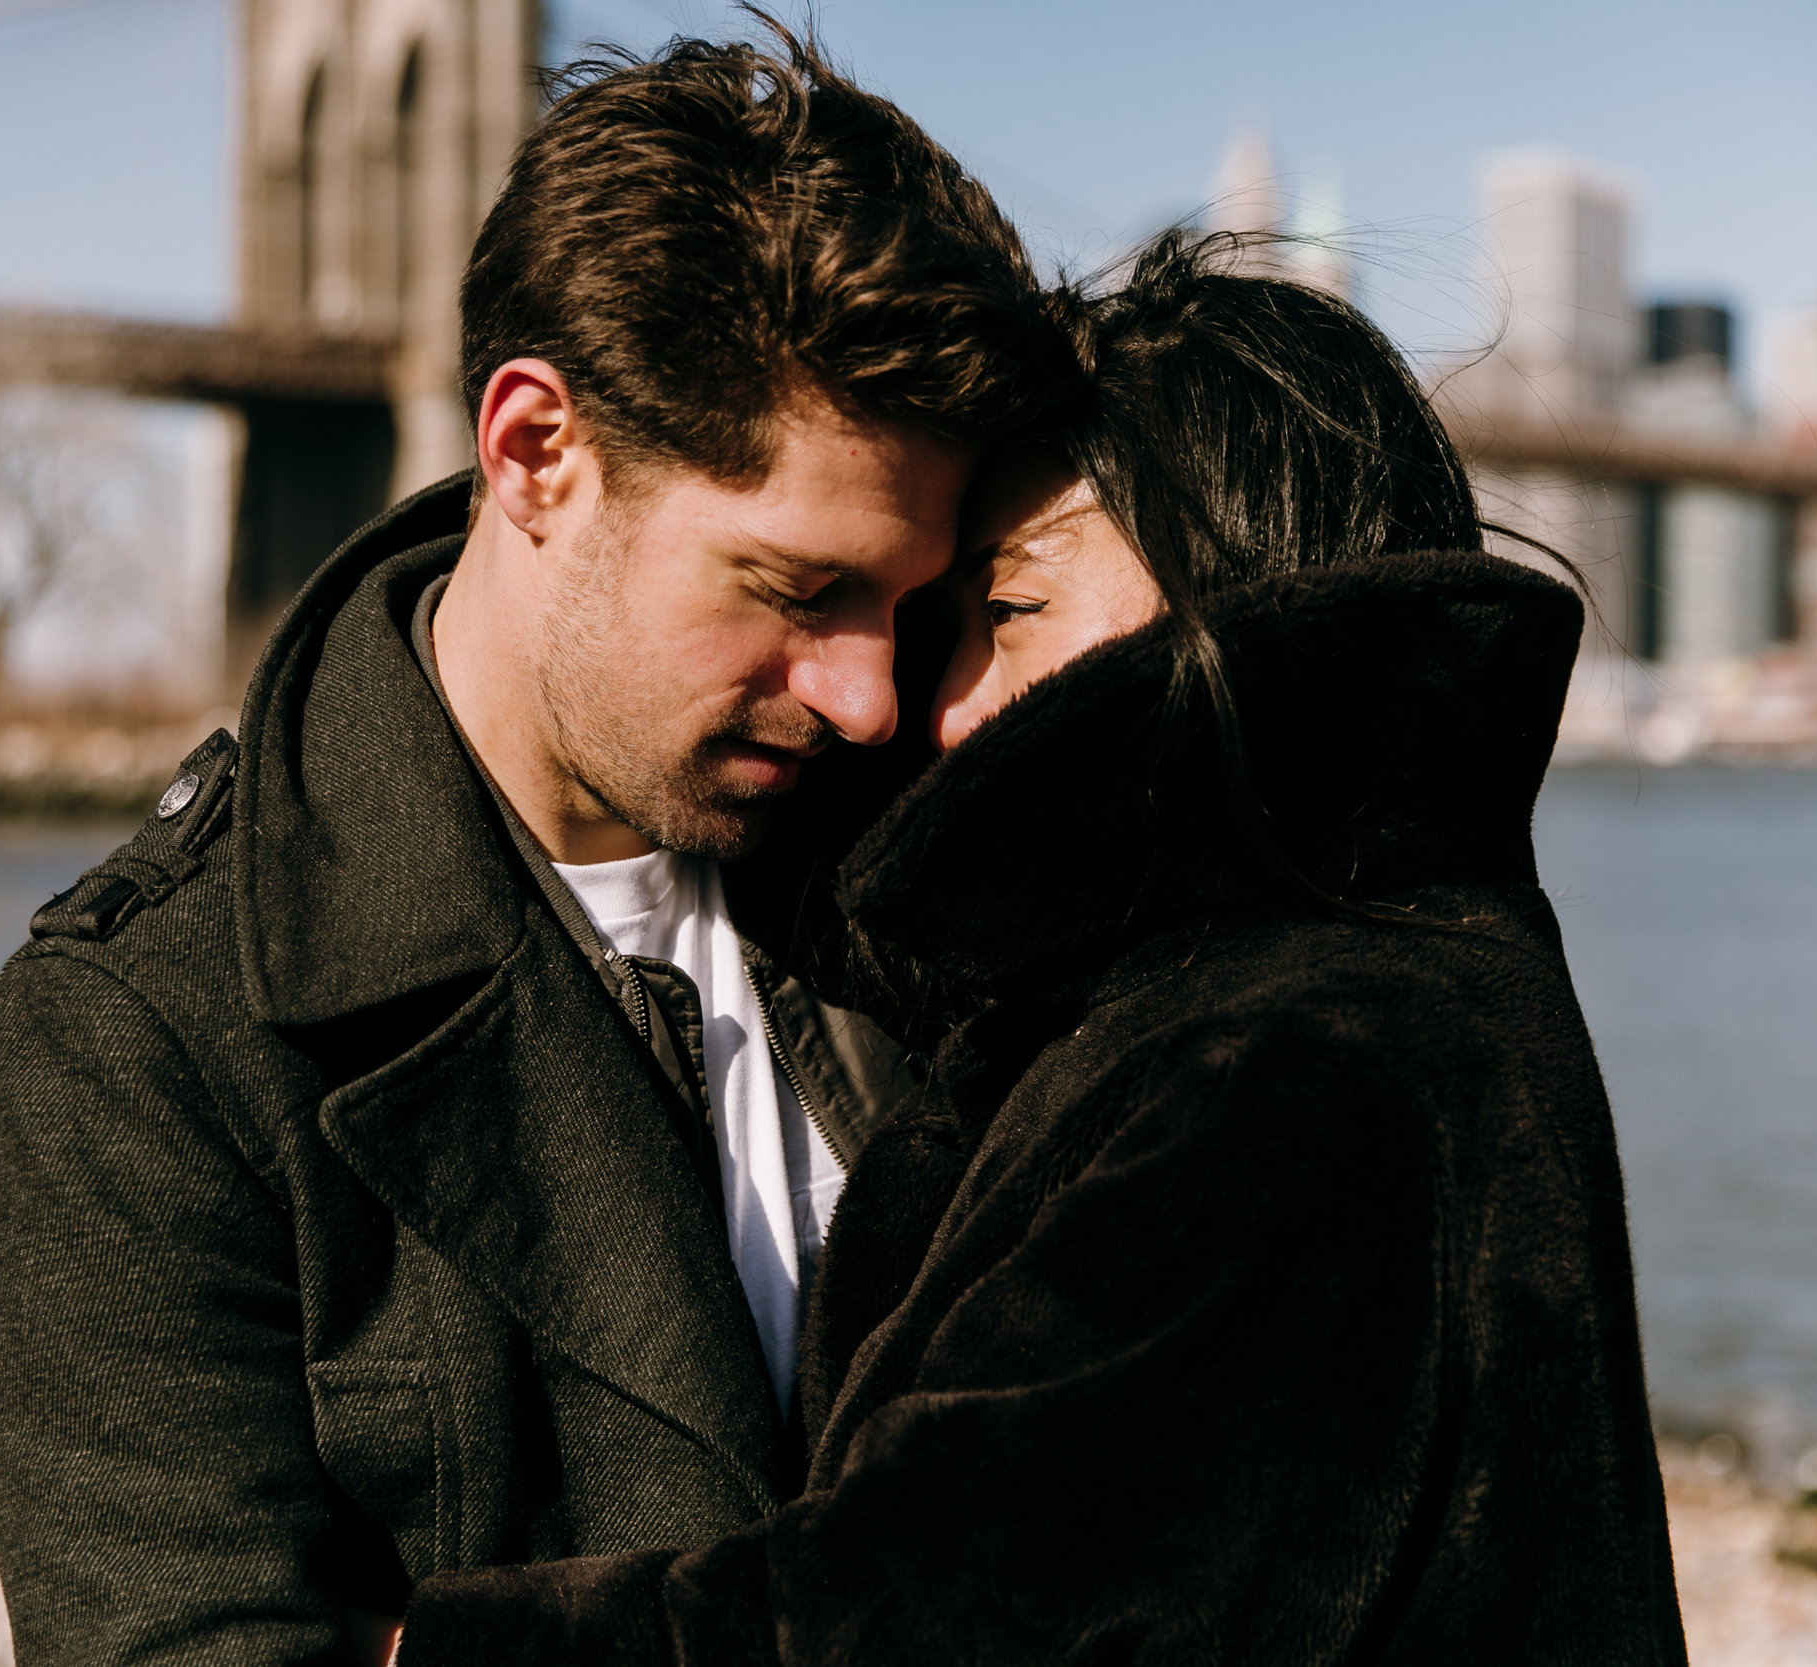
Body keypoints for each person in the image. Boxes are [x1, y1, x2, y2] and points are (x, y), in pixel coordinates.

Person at [389, 232, 1690, 1663]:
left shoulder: (1310, 1061)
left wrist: (418, 1653)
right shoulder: (1338, 967)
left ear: (1239, 587)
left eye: (1005, 612)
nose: (926, 712)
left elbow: (943, 1621)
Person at [0, 24, 1065, 1667]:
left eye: (910, 607)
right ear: (535, 451)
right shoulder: (154, 1032)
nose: (864, 695)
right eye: (796, 591)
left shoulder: (940, 856)